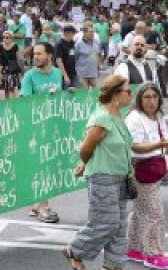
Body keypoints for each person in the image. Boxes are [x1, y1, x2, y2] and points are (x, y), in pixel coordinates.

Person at [63, 74, 133, 270]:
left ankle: (113, 265)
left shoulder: (117, 115)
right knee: (107, 222)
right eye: (128, 91)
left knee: (119, 226)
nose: (131, 94)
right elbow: (86, 148)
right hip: (103, 177)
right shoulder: (102, 117)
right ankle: (75, 250)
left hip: (121, 177)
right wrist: (85, 163)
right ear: (115, 94)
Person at [125, 83, 168, 269]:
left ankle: (134, 249)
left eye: (154, 97)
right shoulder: (134, 118)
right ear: (139, 99)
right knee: (154, 213)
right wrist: (159, 145)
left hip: (155, 168)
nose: (151, 101)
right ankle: (153, 253)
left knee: (141, 211)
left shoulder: (159, 116)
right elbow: (134, 146)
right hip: (142, 169)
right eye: (147, 97)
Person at [20, 42, 62, 223]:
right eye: (34, 54)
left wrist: (69, 95)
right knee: (42, 166)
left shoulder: (57, 73)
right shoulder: (30, 76)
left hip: (53, 127)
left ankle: (38, 204)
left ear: (49, 55)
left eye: (39, 54)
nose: (35, 57)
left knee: (49, 166)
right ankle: (43, 206)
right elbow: (24, 102)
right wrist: (45, 99)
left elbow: (60, 98)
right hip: (35, 129)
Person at [0, 31, 21, 98]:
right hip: (4, 69)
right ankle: (7, 102)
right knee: (5, 88)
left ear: (11, 38)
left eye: (7, 37)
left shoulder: (15, 46)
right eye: (3, 37)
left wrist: (19, 69)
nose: (5, 39)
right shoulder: (0, 46)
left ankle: (13, 102)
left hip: (12, 69)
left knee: (12, 88)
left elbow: (18, 58)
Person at [55, 25, 78, 90]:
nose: (74, 35)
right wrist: (65, 75)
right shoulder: (59, 44)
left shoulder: (72, 43)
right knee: (65, 94)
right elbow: (58, 61)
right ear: (67, 33)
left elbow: (73, 56)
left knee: (73, 93)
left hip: (72, 73)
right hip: (63, 75)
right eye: (73, 33)